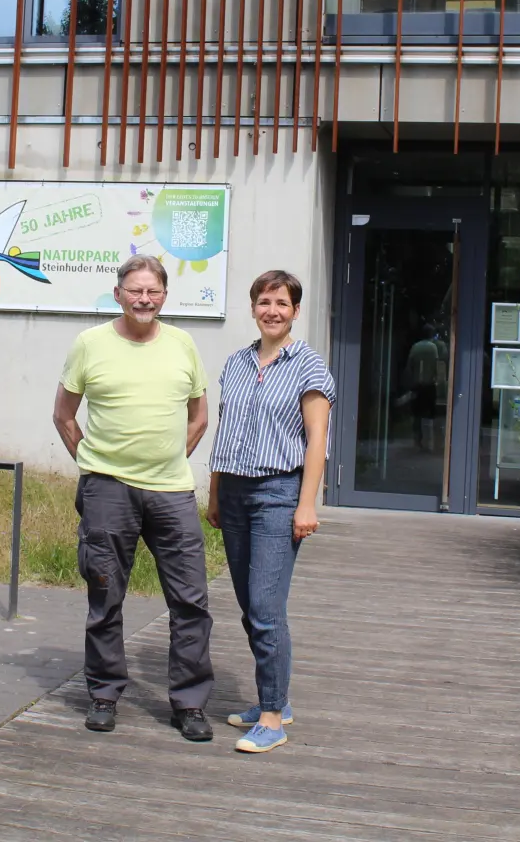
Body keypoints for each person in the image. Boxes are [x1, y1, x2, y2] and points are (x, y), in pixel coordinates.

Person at [52, 255, 216, 742]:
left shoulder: (183, 344)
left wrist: (168, 460)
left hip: (172, 492)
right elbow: (64, 415)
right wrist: (95, 464)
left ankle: (189, 704)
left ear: (165, 295)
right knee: (105, 597)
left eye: (154, 291)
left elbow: (199, 416)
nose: (145, 299)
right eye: (135, 290)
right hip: (108, 490)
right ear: (118, 293)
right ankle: (104, 693)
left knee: (191, 602)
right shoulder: (90, 344)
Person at [207, 270, 335, 754]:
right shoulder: (237, 363)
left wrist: (306, 504)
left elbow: (317, 441)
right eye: (264, 301)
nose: (273, 310)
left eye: (282, 302)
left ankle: (273, 717)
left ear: (295, 311)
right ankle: (272, 696)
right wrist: (216, 492)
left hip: (279, 494)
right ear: (254, 307)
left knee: (265, 609)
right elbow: (224, 431)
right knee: (250, 607)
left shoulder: (309, 366)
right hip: (235, 492)